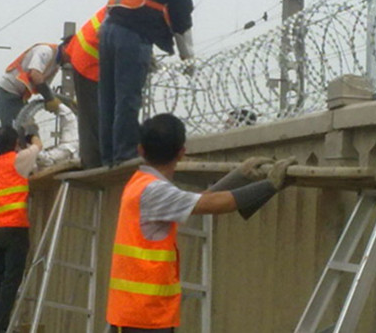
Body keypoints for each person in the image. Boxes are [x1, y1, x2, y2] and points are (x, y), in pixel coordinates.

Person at [106, 113, 295, 332]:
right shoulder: (154, 191)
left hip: (138, 313)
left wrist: (240, 176)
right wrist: (270, 185)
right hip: (143, 316)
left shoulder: (140, 184)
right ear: (182, 152)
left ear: (141, 149)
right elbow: (213, 204)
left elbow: (200, 201)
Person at [99, 0, 201, 166]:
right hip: (133, 34)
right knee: (128, 97)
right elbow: (180, 14)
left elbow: (136, 4)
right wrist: (187, 57)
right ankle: (125, 155)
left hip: (107, 32)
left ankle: (108, 158)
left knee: (109, 99)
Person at [0, 124, 41, 333]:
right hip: (15, 227)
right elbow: (37, 147)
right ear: (15, 143)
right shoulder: (18, 159)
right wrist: (33, 134)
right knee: (10, 282)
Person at [66, 6, 107, 168]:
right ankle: (94, 163)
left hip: (89, 56)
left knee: (94, 115)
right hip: (88, 60)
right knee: (93, 116)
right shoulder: (138, 6)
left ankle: (97, 159)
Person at [0, 39, 71, 127]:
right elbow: (35, 75)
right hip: (8, 92)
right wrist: (50, 98)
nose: (72, 60)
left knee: (30, 130)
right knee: (13, 133)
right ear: (66, 47)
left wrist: (56, 100)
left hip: (20, 97)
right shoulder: (46, 51)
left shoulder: (56, 64)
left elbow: (44, 85)